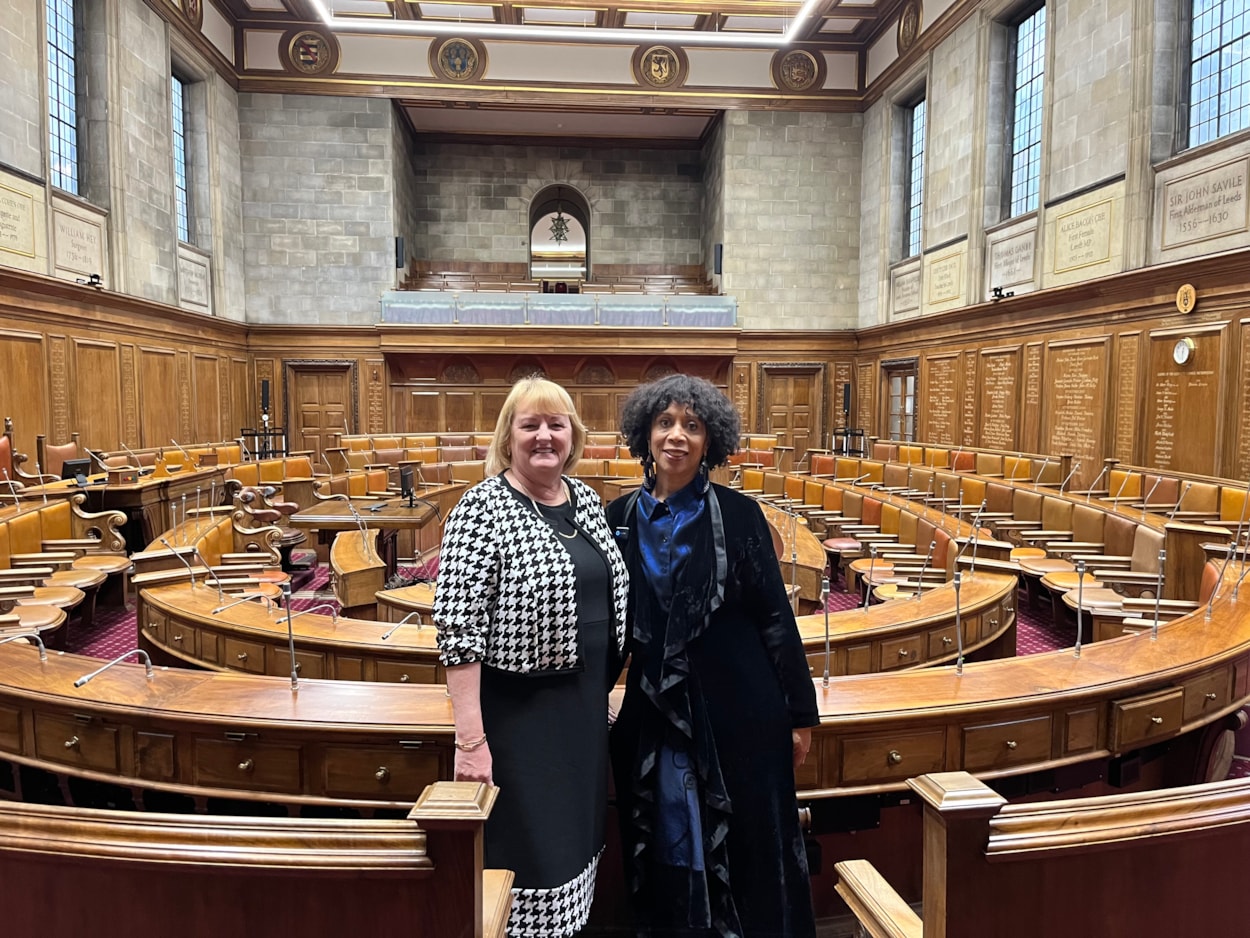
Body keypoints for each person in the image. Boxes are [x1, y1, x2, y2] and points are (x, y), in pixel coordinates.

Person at [607, 374, 819, 938]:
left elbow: (775, 616)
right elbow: (611, 625)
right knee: (664, 827)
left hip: (739, 707)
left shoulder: (740, 514)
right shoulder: (618, 517)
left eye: (692, 426)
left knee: (746, 838)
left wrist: (800, 713)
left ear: (710, 441)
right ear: (645, 434)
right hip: (655, 708)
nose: (677, 436)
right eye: (665, 423)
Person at [433, 376, 629, 938]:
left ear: (573, 434)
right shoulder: (483, 506)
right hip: (519, 722)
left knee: (576, 851)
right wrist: (470, 739)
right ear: (508, 436)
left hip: (582, 715)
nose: (545, 436)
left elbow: (603, 601)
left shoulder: (585, 499)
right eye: (530, 425)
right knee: (533, 862)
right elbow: (457, 628)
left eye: (556, 424)